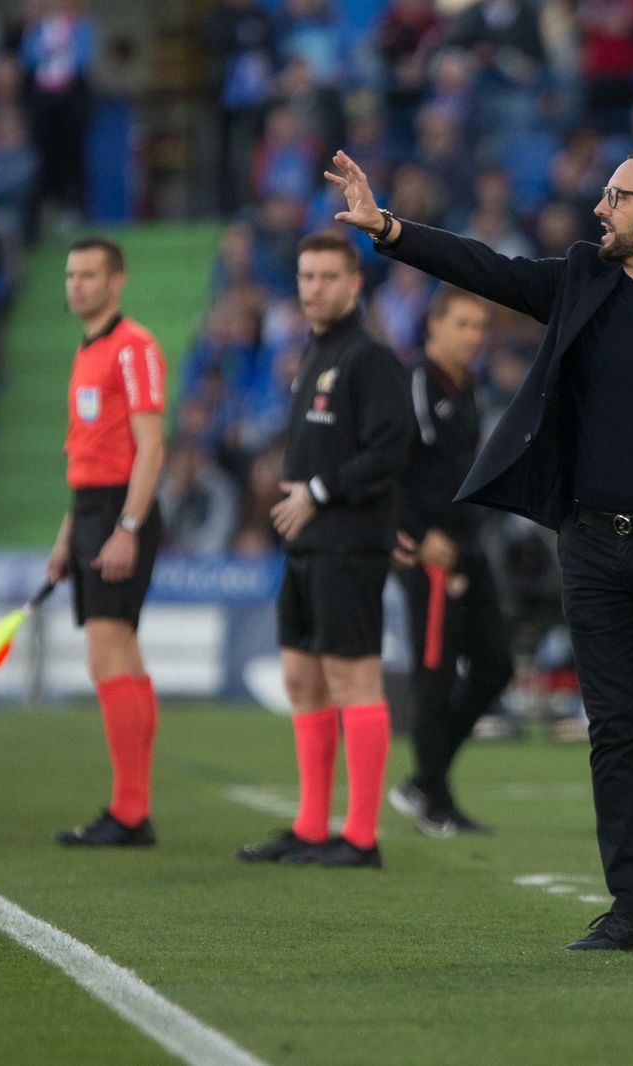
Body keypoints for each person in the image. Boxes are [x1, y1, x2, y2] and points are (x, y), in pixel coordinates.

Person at [325, 146, 633, 955]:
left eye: (617, 195)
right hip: (589, 546)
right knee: (613, 732)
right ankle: (632, 912)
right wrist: (389, 229)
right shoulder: (585, 279)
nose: (599, 208)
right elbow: (491, 269)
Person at [236, 230, 412, 869]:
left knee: (350, 678)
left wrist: (317, 487)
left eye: (328, 277)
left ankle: (360, 837)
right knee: (301, 679)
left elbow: (394, 446)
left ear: (354, 284)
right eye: (306, 277)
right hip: (307, 544)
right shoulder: (314, 353)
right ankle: (312, 826)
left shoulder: (370, 359)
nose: (314, 288)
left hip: (350, 544)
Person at [46, 237, 167, 846]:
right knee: (126, 657)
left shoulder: (133, 347)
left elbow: (151, 447)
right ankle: (132, 808)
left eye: (90, 274)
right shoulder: (87, 349)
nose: (77, 285)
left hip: (122, 509)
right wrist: (69, 536)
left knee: (106, 656)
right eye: (71, 274)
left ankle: (128, 812)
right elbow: (83, 451)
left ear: (117, 281)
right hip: (92, 511)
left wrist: (127, 527)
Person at [387, 286, 515, 838]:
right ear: (432, 326)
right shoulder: (413, 384)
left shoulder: (468, 388)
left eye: (479, 328)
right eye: (462, 325)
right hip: (428, 553)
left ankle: (424, 779)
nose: (473, 338)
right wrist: (413, 538)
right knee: (434, 675)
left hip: (465, 545)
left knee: (496, 665)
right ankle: (435, 800)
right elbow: (387, 465)